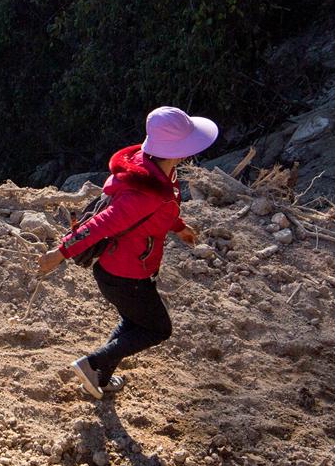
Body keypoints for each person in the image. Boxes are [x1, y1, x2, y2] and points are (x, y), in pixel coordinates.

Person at [36, 106, 219, 398]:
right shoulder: (142, 193)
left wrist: (179, 227)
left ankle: (99, 377)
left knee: (134, 322)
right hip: (126, 276)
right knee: (158, 329)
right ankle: (92, 363)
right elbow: (99, 225)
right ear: (179, 150)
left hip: (122, 271)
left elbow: (162, 208)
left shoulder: (152, 169)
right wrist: (58, 254)